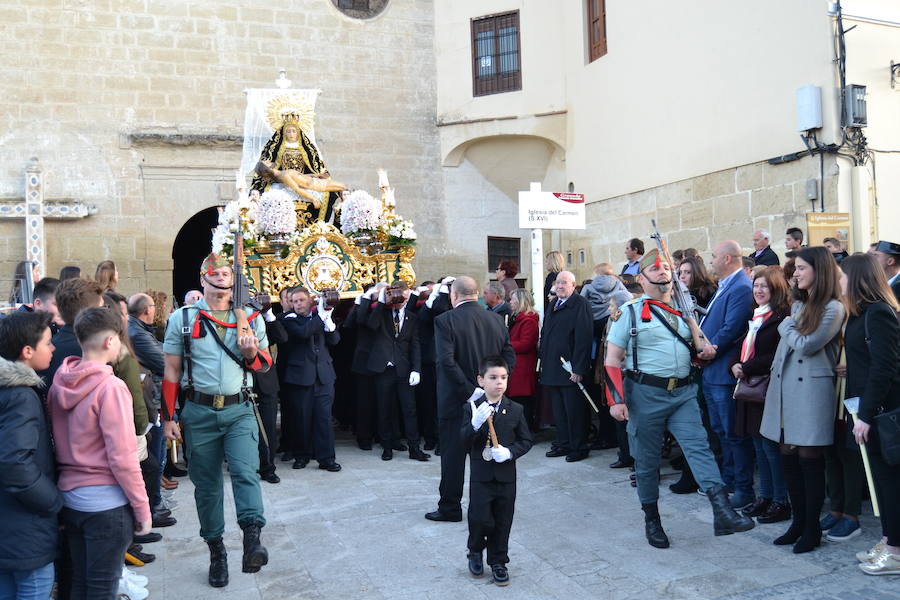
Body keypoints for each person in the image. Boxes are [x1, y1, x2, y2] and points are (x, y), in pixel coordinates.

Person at [605, 249, 754, 548]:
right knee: (646, 461)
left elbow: (696, 351)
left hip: (683, 392)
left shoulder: (685, 313)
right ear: (641, 278)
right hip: (645, 395)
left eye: (666, 269)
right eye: (656, 269)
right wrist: (616, 400)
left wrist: (704, 353)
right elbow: (612, 359)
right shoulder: (630, 312)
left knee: (699, 448)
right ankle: (652, 519)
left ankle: (722, 511)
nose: (663, 273)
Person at [161, 253, 273, 587]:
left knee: (245, 471)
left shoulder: (251, 317)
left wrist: (251, 353)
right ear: (203, 278)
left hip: (240, 409)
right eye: (216, 273)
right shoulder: (183, 319)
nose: (222, 278)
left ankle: (252, 538)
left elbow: (264, 364)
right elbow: (171, 370)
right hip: (199, 411)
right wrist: (169, 416)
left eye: (227, 273)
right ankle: (216, 551)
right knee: (207, 487)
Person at [49, 307, 152, 599]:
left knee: (80, 584)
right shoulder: (111, 387)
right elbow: (122, 457)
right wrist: (143, 508)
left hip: (70, 498)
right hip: (105, 504)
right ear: (110, 341)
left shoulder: (60, 381)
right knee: (102, 588)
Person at [760, 246, 844, 554]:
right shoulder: (799, 306)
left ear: (818, 271)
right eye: (795, 269)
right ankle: (797, 522)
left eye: (801, 268)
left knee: (810, 461)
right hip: (785, 391)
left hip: (811, 393)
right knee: (787, 457)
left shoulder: (834, 308)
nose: (795, 274)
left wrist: (785, 326)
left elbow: (808, 345)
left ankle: (812, 529)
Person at [427, 276, 515, 523]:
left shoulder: (444, 320)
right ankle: (487, 508)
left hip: (456, 400)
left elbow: (446, 360)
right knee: (486, 454)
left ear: (454, 296)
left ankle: (450, 507)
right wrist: (495, 385)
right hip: (489, 399)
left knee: (453, 457)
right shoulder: (496, 319)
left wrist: (470, 392)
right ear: (476, 294)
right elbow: (509, 356)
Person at [838, 253, 900, 574]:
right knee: (880, 480)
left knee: (890, 482)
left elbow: (885, 368)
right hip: (868, 408)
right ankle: (889, 539)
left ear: (857, 278)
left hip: (881, 411)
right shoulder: (861, 314)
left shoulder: (879, 313)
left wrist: (865, 414)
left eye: (842, 276)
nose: (838, 281)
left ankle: (895, 550)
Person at [0, 312, 63, 600]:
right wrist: (52, 500)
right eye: (48, 343)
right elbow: (14, 464)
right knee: (34, 588)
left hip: (11, 525)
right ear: (27, 351)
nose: (53, 349)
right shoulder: (21, 396)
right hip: (24, 526)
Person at [462, 356, 533, 586]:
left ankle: (498, 561)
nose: (499, 382)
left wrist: (510, 452)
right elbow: (460, 442)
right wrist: (474, 425)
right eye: (493, 378)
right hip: (482, 477)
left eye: (503, 377)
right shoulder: (472, 407)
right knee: (480, 518)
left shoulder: (516, 409)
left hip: (506, 477)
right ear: (481, 380)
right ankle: (474, 550)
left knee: (503, 520)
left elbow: (526, 440)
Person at [730, 267, 791, 524]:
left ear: (776, 288)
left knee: (769, 446)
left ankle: (780, 500)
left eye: (764, 286)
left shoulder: (781, 316)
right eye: (756, 286)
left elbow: (776, 353)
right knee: (757, 443)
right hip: (750, 388)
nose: (758, 290)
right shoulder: (755, 315)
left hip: (768, 387)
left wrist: (746, 367)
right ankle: (764, 496)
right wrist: (734, 363)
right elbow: (742, 346)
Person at [700, 240, 755, 510]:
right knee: (721, 430)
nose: (711, 261)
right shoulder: (726, 285)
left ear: (729, 259)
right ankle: (730, 479)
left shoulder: (741, 287)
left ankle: (744, 488)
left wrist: (711, 349)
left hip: (722, 371)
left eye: (714, 256)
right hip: (712, 372)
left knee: (733, 432)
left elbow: (732, 327)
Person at [279, 286, 342, 472]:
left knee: (324, 419)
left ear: (309, 301)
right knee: (302, 419)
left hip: (324, 376)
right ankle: (301, 455)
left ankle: (327, 458)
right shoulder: (288, 320)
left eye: (301, 300)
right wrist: (321, 316)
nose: (297, 304)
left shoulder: (319, 317)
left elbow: (335, 340)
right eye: (294, 301)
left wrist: (328, 321)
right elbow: (304, 332)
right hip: (300, 378)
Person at [366, 281, 429, 461]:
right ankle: (387, 448)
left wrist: (416, 369)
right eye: (398, 296)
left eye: (404, 297)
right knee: (384, 409)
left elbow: (415, 345)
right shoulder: (382, 313)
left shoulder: (411, 317)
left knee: (410, 410)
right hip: (384, 369)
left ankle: (414, 449)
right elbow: (371, 325)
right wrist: (381, 300)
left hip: (404, 370)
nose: (400, 300)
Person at [540, 270, 593, 462]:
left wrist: (579, 369)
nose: (560, 286)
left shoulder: (581, 304)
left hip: (571, 370)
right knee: (559, 412)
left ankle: (578, 447)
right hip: (553, 367)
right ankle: (563, 443)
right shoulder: (554, 303)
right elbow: (546, 333)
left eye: (565, 283)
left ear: (573, 285)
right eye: (558, 282)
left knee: (574, 412)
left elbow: (583, 339)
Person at [251, 116, 344, 225]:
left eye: (294, 131)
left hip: (308, 180)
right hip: (306, 184)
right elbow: (296, 187)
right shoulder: (282, 172)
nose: (291, 134)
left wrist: (316, 175)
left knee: (338, 190)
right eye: (288, 131)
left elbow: (301, 173)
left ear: (298, 133)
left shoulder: (305, 150)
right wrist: (313, 198)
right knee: (341, 188)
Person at [39, 277, 105, 388]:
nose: (106, 313)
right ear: (92, 313)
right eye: (103, 308)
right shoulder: (100, 349)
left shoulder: (47, 349)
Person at [507, 289, 539, 431]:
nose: (510, 302)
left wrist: (506, 345)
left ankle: (526, 432)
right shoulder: (518, 319)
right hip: (517, 366)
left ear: (520, 302)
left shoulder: (528, 321)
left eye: (512, 299)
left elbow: (526, 344)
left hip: (523, 368)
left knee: (523, 402)